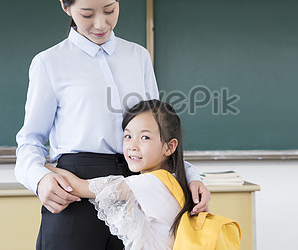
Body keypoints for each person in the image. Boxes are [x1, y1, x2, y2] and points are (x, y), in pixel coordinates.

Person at [14, 0, 210, 250]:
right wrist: (40, 179)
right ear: (65, 7)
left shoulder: (138, 56)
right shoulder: (49, 63)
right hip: (75, 192)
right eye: (87, 13)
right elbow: (30, 141)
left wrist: (190, 176)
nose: (100, 23)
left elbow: (158, 130)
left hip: (135, 188)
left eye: (109, 10)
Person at [46, 100, 194, 250]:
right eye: (128, 136)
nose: (133, 146)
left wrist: (41, 169)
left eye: (145, 137)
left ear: (169, 147)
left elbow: (80, 187)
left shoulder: (152, 184)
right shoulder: (173, 179)